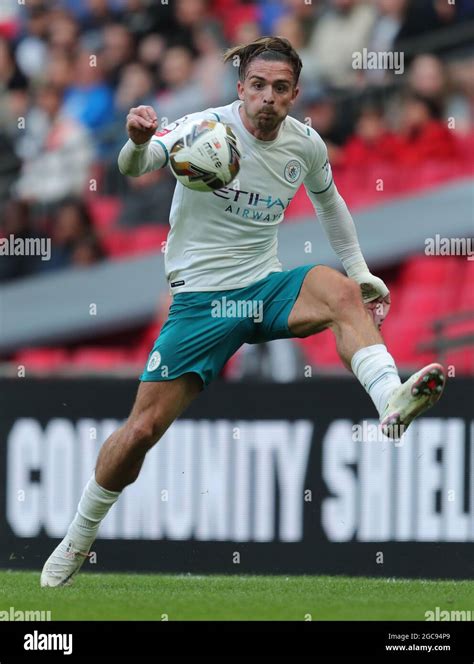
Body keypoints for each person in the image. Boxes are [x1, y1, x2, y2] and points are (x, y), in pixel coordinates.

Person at [41, 36, 445, 587]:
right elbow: (136, 165)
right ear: (241, 89)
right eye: (258, 86)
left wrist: (360, 271)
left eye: (281, 89)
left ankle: (390, 402)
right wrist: (136, 141)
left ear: (295, 94)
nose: (268, 99)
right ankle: (79, 536)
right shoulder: (203, 128)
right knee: (141, 431)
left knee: (339, 292)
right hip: (201, 302)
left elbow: (331, 204)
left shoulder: (305, 145)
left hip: (262, 288)